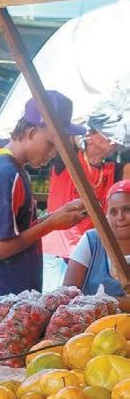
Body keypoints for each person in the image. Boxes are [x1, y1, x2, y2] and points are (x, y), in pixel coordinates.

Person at [0, 91, 87, 305]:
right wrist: (51, 224)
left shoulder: (10, 169)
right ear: (32, 131)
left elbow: (16, 230)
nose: (52, 154)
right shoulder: (6, 174)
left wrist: (58, 215)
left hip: (12, 300)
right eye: (50, 144)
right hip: (2, 302)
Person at [44, 96, 130, 290]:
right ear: (90, 135)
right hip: (56, 254)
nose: (113, 139)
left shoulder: (114, 170)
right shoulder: (68, 157)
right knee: (54, 302)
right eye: (107, 132)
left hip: (89, 251)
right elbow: (61, 129)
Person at [63, 180, 130, 309]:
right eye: (113, 212)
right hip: (90, 321)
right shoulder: (92, 240)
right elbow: (67, 294)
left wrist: (100, 302)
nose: (120, 217)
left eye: (127, 209)